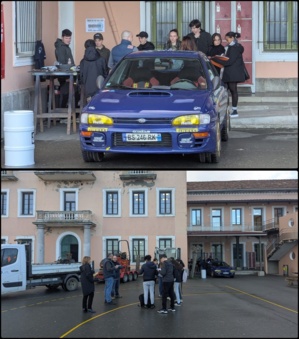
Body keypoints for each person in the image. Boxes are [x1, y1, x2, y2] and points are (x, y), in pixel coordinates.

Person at [214, 31, 245, 118]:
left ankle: (234, 110)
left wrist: (217, 60)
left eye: (227, 39)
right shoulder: (233, 46)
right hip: (230, 72)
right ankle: (228, 109)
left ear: (231, 38)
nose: (226, 40)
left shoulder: (235, 47)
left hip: (232, 73)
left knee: (233, 90)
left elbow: (230, 60)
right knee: (228, 90)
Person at [54, 29, 75, 108]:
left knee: (68, 92)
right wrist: (66, 76)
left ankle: (64, 112)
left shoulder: (66, 47)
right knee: (65, 93)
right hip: (65, 75)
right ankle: (62, 113)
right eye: (66, 38)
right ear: (62, 38)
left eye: (69, 38)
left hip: (68, 73)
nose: (68, 40)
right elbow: (62, 63)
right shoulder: (61, 48)